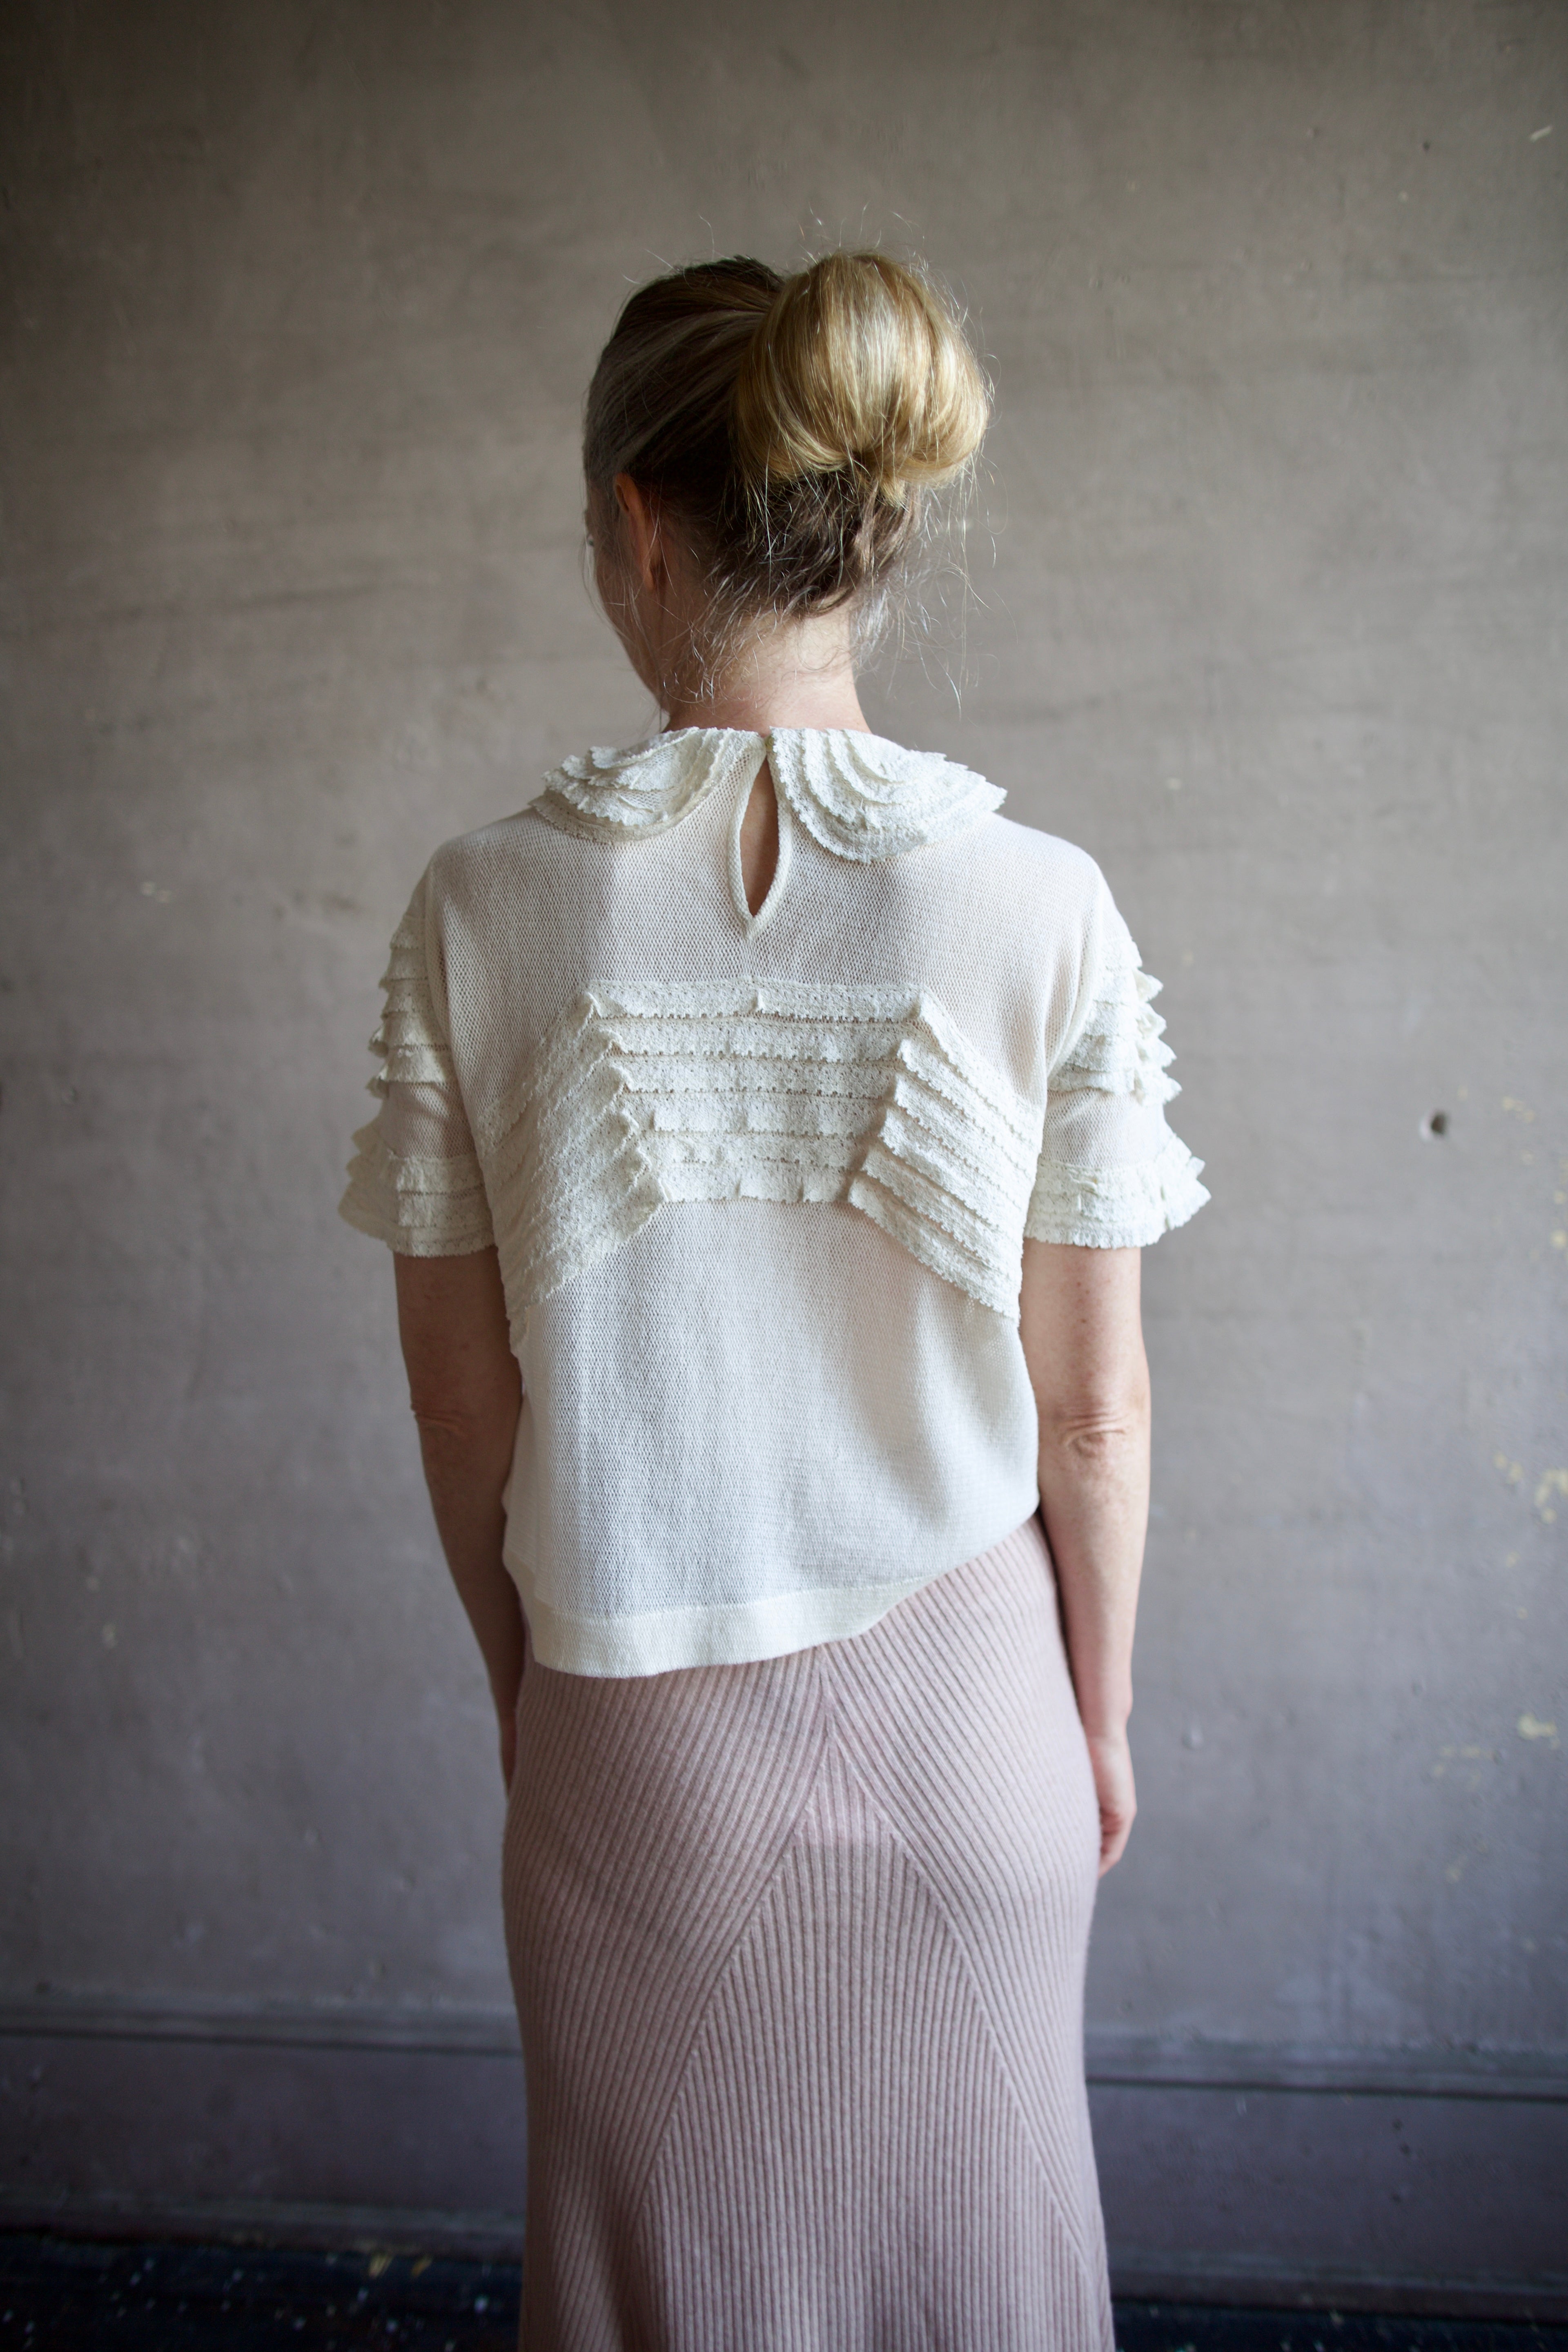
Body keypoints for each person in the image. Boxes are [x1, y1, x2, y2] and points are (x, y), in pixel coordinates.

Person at [341, 249, 1207, 2352]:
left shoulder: (483, 908)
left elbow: (469, 1418)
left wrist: (524, 1692)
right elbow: (1090, 1419)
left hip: (637, 1748)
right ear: (862, 523)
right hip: (972, 1742)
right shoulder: (1043, 906)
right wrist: (1089, 1724)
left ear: (639, 521)